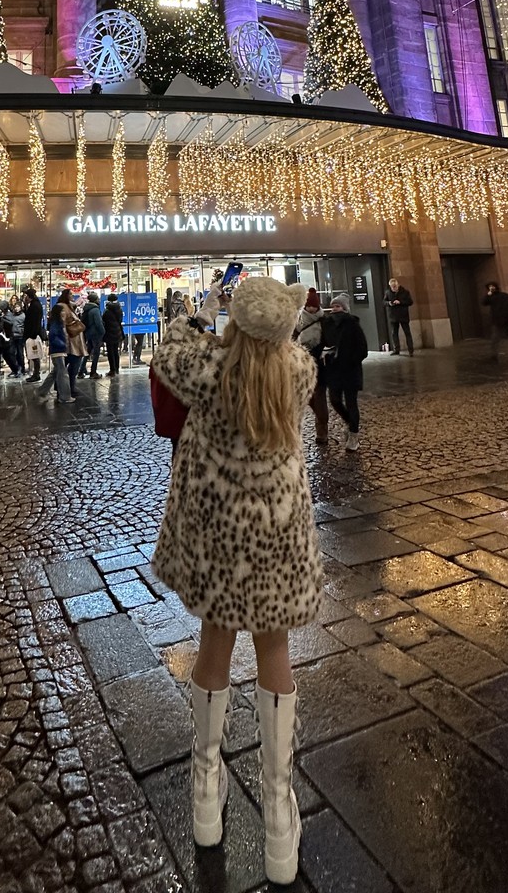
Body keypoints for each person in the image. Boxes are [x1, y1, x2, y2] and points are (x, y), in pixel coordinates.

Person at [151, 277, 321, 885]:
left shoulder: (209, 367)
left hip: (218, 536)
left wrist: (196, 315)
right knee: (275, 652)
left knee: (214, 647)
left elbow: (167, 354)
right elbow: (288, 347)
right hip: (276, 536)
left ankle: (205, 790)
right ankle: (279, 812)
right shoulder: (297, 369)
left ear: (235, 321)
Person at [320, 294, 368, 450]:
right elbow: (324, 342)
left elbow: (362, 349)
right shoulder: (327, 324)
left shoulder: (352, 324)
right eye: (333, 306)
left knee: (351, 403)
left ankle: (353, 435)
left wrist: (350, 360)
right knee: (334, 400)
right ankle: (349, 422)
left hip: (350, 371)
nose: (335, 309)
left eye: (338, 306)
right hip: (334, 370)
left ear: (345, 308)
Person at [295, 288, 328, 444]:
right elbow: (292, 338)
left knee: (320, 398)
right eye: (309, 306)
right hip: (301, 365)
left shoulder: (323, 321)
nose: (311, 309)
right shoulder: (298, 319)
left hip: (319, 365)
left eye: (314, 306)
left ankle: (322, 432)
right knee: (307, 397)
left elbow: (328, 341)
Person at [40, 294, 75, 405]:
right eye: (63, 311)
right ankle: (64, 397)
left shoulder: (59, 323)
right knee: (62, 374)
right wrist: (62, 345)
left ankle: (41, 391)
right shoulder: (57, 324)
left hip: (59, 351)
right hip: (58, 351)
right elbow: (53, 336)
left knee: (56, 373)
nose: (65, 313)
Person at [482, 282, 508, 360]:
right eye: (490, 286)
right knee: (495, 339)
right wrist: (488, 295)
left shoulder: (504, 296)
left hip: (506, 320)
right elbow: (484, 303)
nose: (491, 288)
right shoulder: (490, 296)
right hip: (496, 321)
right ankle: (494, 355)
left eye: (493, 286)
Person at [383, 278, 414, 355]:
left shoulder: (405, 292)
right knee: (394, 333)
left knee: (407, 332)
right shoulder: (388, 293)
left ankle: (411, 350)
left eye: (395, 286)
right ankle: (396, 349)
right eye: (392, 287)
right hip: (393, 316)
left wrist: (400, 302)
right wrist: (389, 303)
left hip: (403, 315)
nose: (394, 288)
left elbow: (410, 302)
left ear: (398, 285)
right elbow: (384, 302)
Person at [22, 288, 46, 383]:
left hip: (33, 334)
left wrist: (33, 334)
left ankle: (36, 374)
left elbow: (34, 320)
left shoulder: (35, 306)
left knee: (34, 354)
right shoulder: (34, 304)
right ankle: (35, 373)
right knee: (33, 354)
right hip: (32, 333)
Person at [79, 291, 105, 378]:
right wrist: (102, 332)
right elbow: (98, 323)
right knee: (96, 353)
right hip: (96, 334)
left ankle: (81, 371)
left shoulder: (86, 309)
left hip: (88, 333)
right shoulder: (95, 310)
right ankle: (93, 372)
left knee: (87, 352)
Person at [64, 294, 86, 393]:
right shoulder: (67, 312)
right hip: (73, 344)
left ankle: (64, 387)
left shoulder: (69, 310)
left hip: (73, 345)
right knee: (72, 368)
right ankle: (69, 388)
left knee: (65, 367)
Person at [103, 292, 125, 374]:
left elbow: (104, 321)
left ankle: (112, 369)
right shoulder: (119, 309)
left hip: (109, 333)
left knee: (110, 352)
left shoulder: (107, 311)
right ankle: (117, 368)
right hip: (118, 332)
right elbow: (120, 320)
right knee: (116, 351)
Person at [8, 297, 27, 377]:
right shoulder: (12, 315)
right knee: (12, 353)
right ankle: (15, 368)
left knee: (20, 353)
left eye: (18, 307)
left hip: (20, 336)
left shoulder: (23, 316)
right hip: (13, 336)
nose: (16, 308)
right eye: (15, 307)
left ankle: (22, 369)